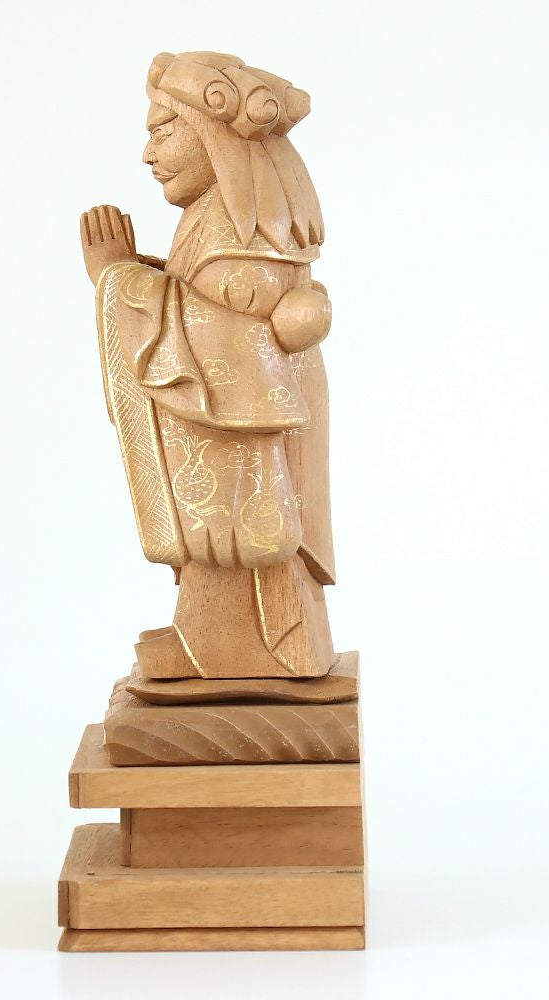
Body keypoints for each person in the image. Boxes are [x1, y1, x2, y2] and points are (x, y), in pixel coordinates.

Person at [80, 51, 336, 681]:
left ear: (211, 134)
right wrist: (139, 276)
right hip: (247, 437)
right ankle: (214, 638)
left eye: (163, 132)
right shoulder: (218, 224)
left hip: (244, 435)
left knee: (238, 529)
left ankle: (238, 649)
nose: (148, 154)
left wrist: (117, 280)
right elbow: (203, 307)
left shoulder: (240, 238)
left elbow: (224, 338)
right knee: (227, 532)